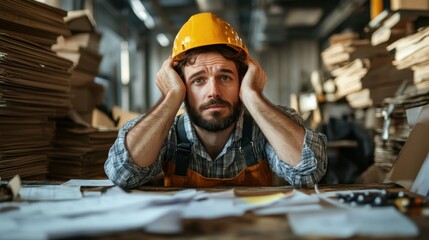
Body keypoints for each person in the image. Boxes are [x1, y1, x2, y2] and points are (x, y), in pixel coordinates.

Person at [104, 12, 327, 189]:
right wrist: (171, 96)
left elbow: (309, 173)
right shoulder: (167, 133)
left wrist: (253, 96)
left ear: (243, 78)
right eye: (198, 80)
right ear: (182, 86)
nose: (214, 91)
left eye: (225, 77)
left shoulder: (267, 127)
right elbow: (123, 174)